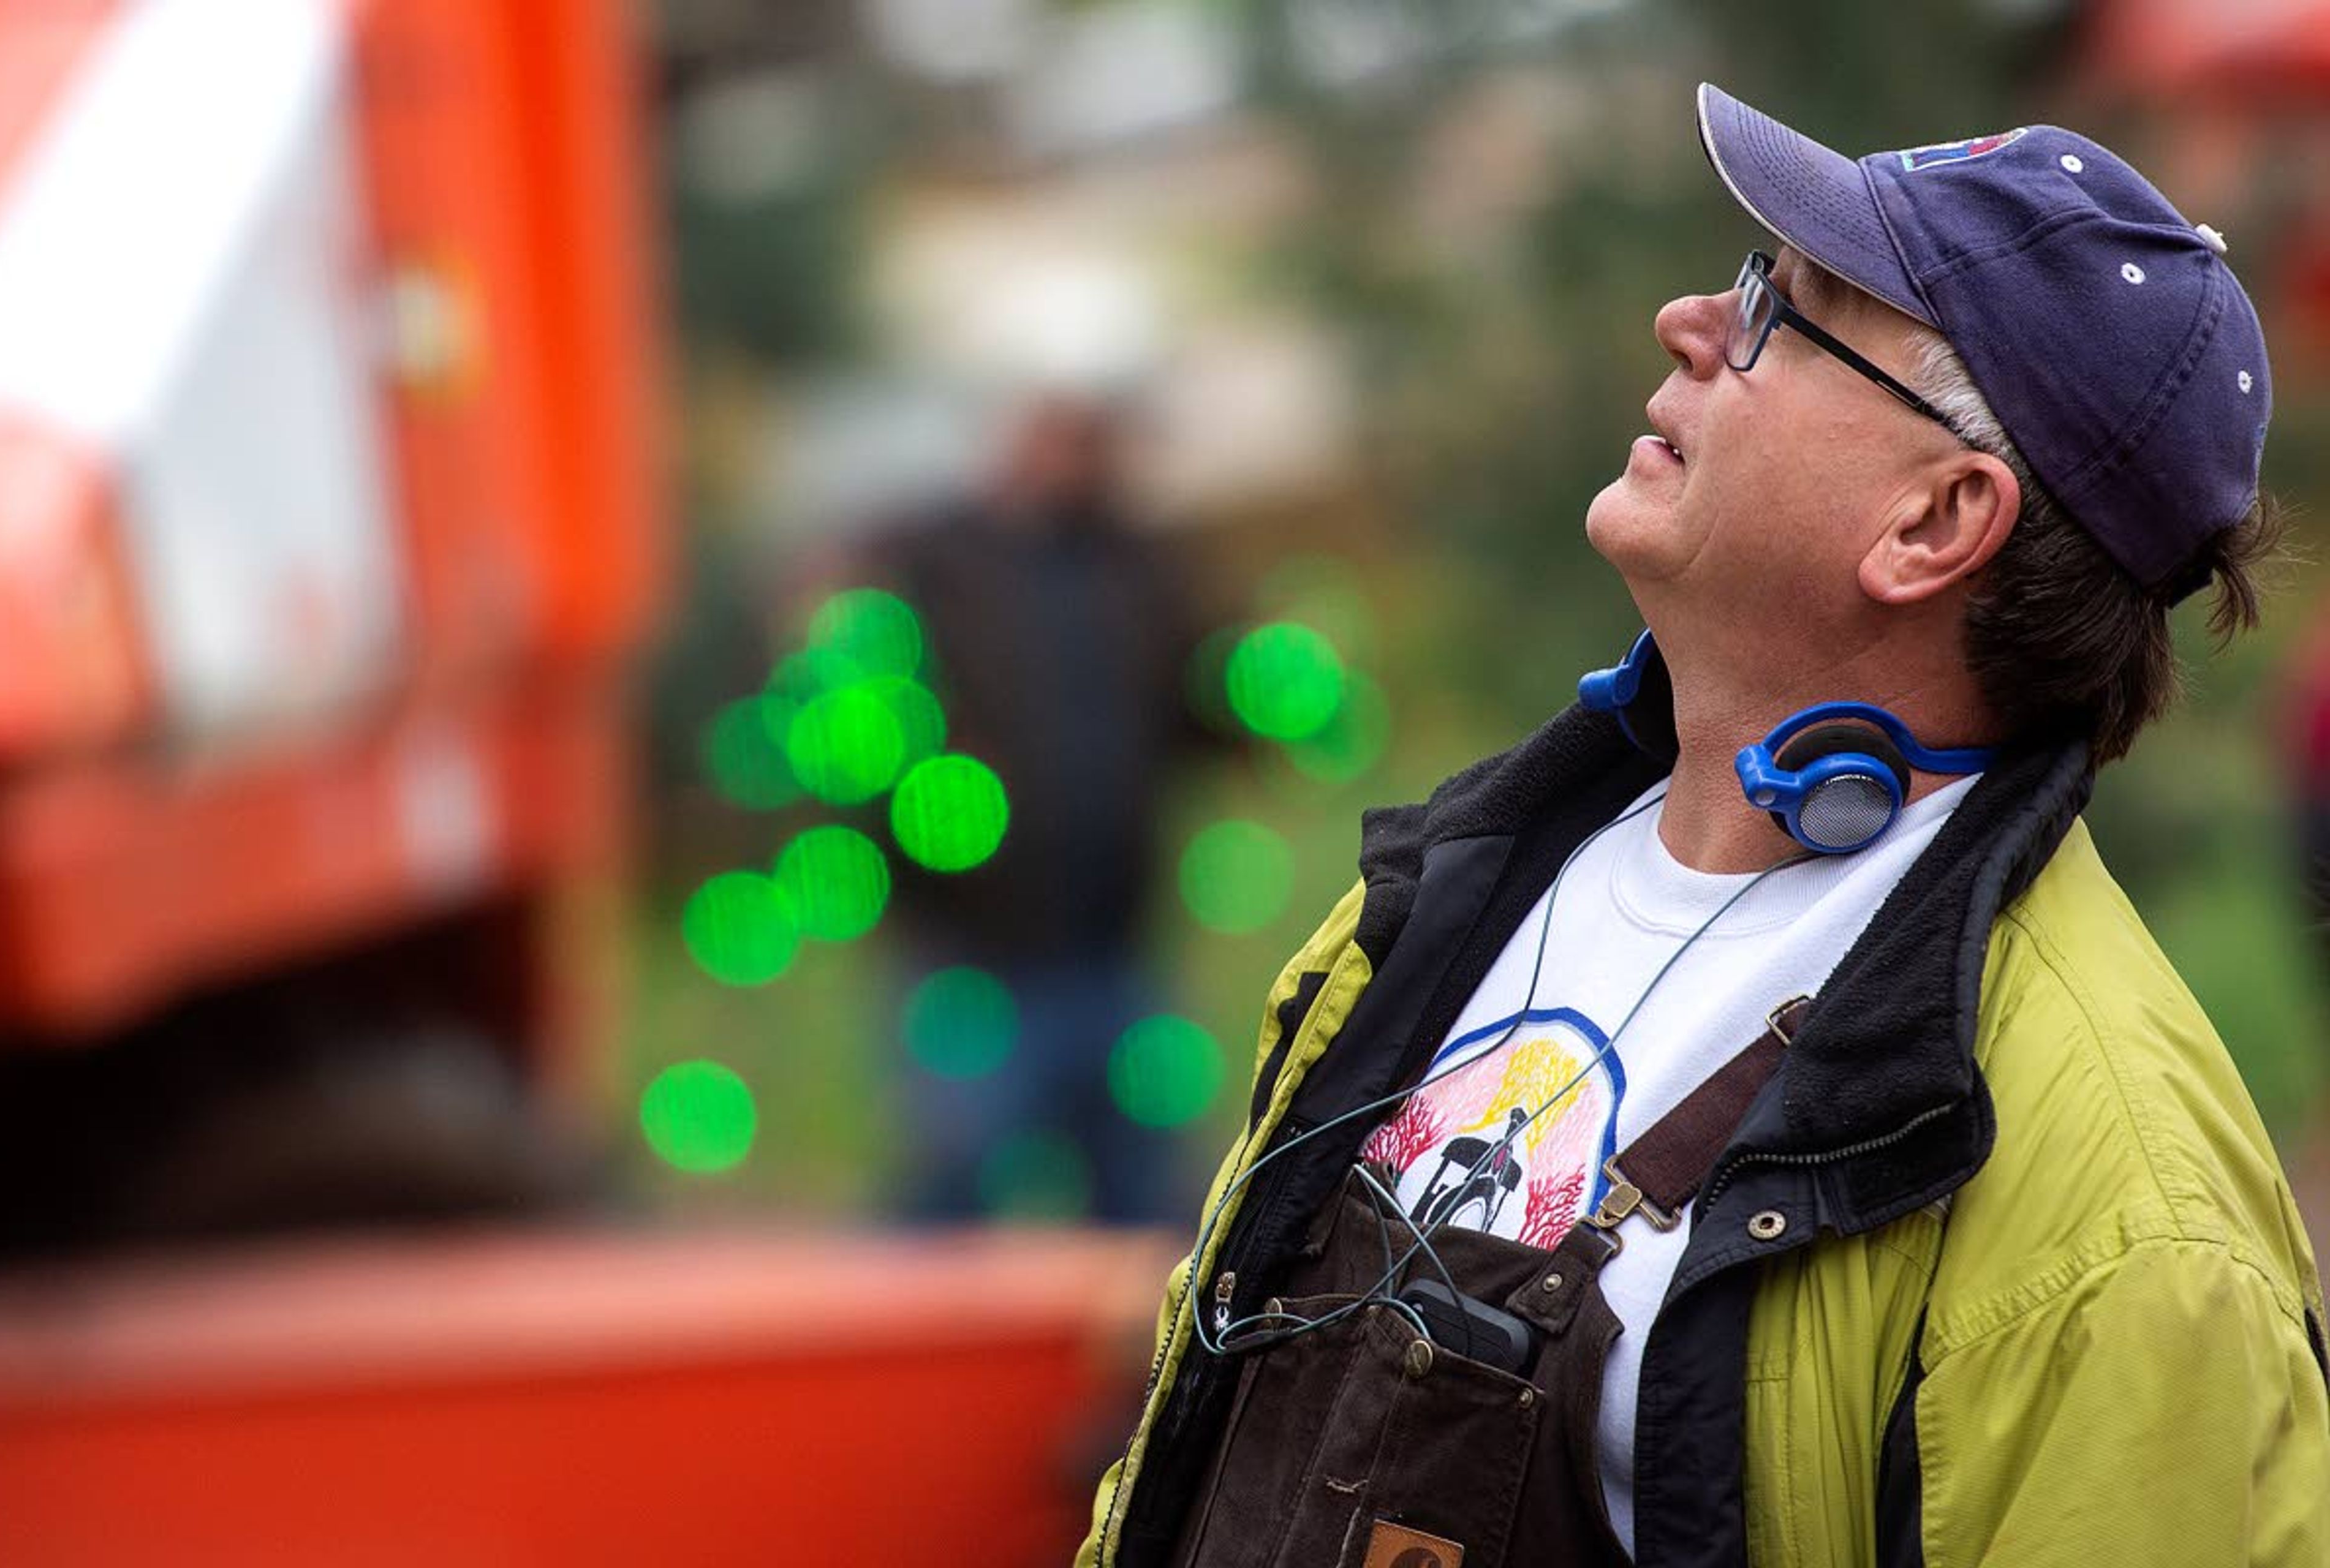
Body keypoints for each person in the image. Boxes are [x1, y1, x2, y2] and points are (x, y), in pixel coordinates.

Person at [1078, 86, 2330, 1567]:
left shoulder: (2126, 1215)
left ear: (1935, 521)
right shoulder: (1437, 899)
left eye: (1783, 311)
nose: (1688, 320)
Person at [868, 393, 1218, 1226]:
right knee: (952, 1189)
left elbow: (1199, 706)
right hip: (970, 955)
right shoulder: (925, 562)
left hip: (1113, 946)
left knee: (1149, 1205)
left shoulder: (1142, 565)